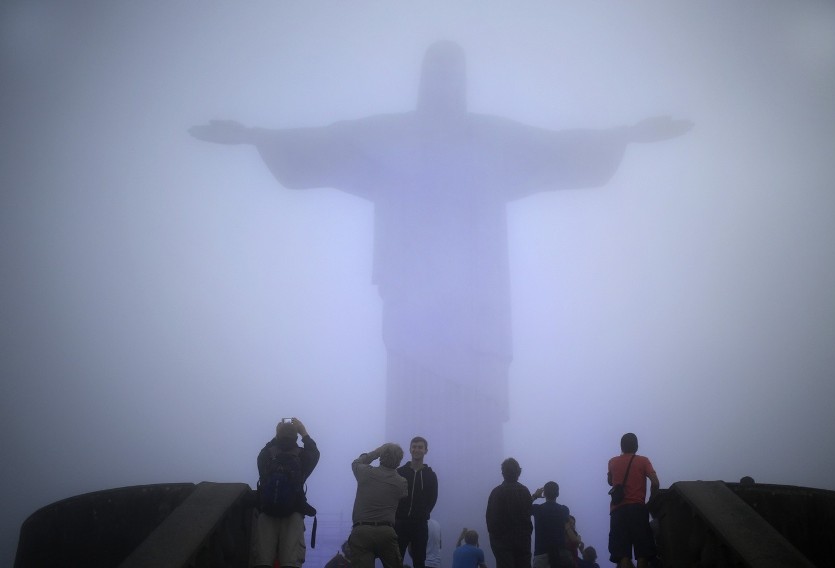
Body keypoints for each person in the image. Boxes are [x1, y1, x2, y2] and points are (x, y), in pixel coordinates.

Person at [188, 44, 692, 538]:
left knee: (476, 413)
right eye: (437, 70)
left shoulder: (491, 139)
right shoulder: (394, 136)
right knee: (413, 399)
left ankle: (464, 527)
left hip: (479, 307)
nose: (445, 81)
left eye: (453, 71)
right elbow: (327, 143)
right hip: (413, 306)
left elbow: (555, 147)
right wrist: (254, 136)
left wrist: (627, 134)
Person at [255, 418, 320, 568]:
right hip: (293, 513)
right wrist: (304, 432)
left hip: (267, 512)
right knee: (290, 562)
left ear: (278, 435)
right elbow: (315, 453)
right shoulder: (303, 456)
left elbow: (261, 454)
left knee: (263, 562)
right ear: (295, 437)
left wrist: (276, 435)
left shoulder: (266, 455)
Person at [349, 443, 409, 568]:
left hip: (361, 531)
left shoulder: (365, 472)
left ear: (381, 457)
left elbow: (355, 463)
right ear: (398, 462)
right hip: (386, 532)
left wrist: (375, 452)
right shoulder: (401, 483)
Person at [606, 433, 659, 568]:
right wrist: (651, 502)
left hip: (618, 511)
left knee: (622, 554)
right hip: (638, 509)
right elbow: (655, 483)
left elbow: (610, 481)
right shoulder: (643, 461)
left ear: (621, 446)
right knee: (643, 552)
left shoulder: (612, 462)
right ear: (636, 446)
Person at [396, 436, 439, 568]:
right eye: (414, 447)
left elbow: (433, 498)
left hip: (420, 524)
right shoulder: (399, 472)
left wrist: (423, 513)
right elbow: (393, 495)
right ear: (410, 449)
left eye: (420, 447)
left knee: (419, 561)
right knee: (395, 560)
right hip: (400, 523)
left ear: (426, 450)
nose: (417, 450)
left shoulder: (430, 475)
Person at [486, 458, 533, 568]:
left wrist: (496, 540)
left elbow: (491, 520)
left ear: (503, 473)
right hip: (523, 543)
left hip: (502, 545)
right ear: (518, 473)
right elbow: (528, 513)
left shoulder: (496, 492)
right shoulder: (525, 491)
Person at [530, 481, 573, 568]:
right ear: (557, 494)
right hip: (561, 555)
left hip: (541, 554)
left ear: (544, 494)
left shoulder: (537, 509)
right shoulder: (564, 510)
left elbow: (523, 507)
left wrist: (535, 495)